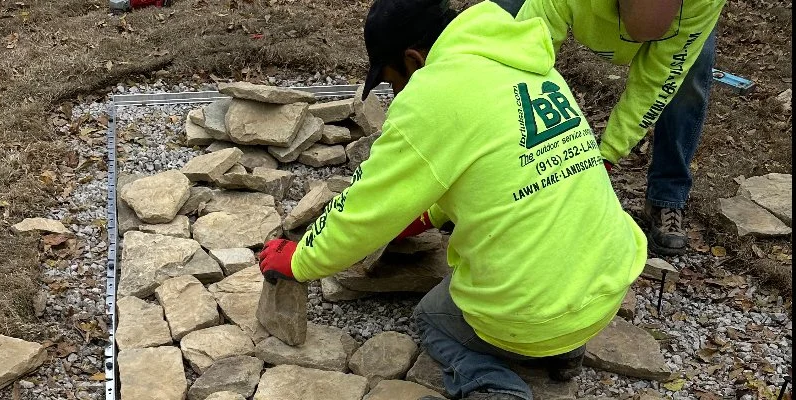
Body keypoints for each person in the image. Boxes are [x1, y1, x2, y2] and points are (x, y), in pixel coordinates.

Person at [257, 0, 647, 398]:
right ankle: (562, 351)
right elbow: (496, 170)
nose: (396, 93)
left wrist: (299, 259)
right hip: (608, 285)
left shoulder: (435, 95)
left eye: (394, 81)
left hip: (534, 314)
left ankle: (495, 387)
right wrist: (425, 215)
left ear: (414, 58)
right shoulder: (526, 64)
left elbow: (363, 208)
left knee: (431, 317)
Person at [492, 0, 726, 256]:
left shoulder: (702, 3)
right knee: (506, 34)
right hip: (577, 8)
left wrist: (605, 159)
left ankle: (667, 196)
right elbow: (525, 61)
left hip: (684, 19)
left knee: (690, 70)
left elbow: (658, 81)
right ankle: (489, 168)